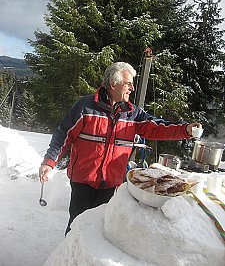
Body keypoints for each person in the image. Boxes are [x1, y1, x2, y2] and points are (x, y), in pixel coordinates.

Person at [39, 61, 201, 235]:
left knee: (101, 226)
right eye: (128, 83)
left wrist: (185, 130)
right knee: (77, 225)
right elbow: (63, 134)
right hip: (83, 181)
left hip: (110, 182)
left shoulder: (133, 114)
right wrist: (49, 162)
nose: (132, 88)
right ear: (113, 84)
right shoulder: (85, 107)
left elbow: (158, 127)